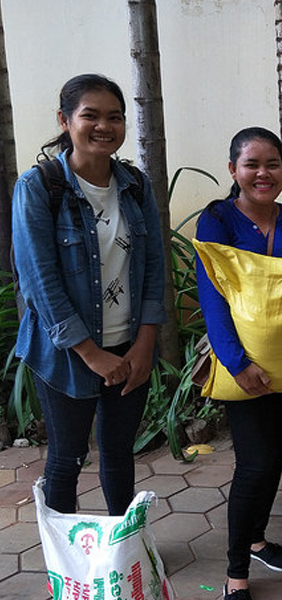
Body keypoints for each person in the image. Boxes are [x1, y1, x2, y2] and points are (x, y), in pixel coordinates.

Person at [11, 74, 166, 516]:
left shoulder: (135, 185)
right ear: (64, 120)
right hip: (64, 353)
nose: (104, 126)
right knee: (67, 459)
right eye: (90, 116)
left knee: (120, 455)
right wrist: (90, 353)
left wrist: (145, 341)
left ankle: (125, 549)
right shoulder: (39, 187)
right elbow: (39, 282)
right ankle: (72, 566)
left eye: (114, 117)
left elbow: (153, 266)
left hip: (129, 347)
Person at [195, 127, 282, 600]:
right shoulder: (218, 220)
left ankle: (257, 538)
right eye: (252, 164)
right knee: (253, 463)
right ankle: (235, 575)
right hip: (243, 366)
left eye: (273, 164)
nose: (263, 173)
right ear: (233, 171)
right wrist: (236, 363)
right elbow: (212, 297)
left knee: (275, 458)